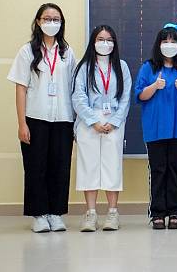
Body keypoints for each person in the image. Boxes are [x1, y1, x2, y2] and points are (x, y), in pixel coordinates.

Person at [7, 3, 76, 233]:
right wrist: (22, 124)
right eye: (47, 18)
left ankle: (56, 213)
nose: (51, 23)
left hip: (63, 118)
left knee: (60, 167)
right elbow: (20, 88)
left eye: (56, 19)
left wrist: (76, 121)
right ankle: (39, 214)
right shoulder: (27, 51)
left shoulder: (67, 52)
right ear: (38, 22)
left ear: (61, 23)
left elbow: (74, 87)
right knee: (36, 167)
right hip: (35, 117)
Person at [72, 25, 132, 232]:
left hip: (114, 122)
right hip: (89, 121)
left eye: (109, 40)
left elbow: (125, 98)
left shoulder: (121, 66)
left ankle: (112, 213)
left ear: (114, 43)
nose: (105, 43)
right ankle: (91, 214)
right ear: (93, 42)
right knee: (89, 166)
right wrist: (93, 121)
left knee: (112, 166)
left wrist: (114, 121)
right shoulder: (84, 67)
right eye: (100, 39)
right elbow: (78, 97)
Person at [134, 27, 177, 230]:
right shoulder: (148, 67)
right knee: (158, 170)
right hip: (156, 127)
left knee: (176, 170)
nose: (169, 45)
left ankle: (176, 212)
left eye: (173, 41)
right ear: (158, 45)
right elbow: (140, 95)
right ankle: (158, 213)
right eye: (165, 41)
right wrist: (155, 86)